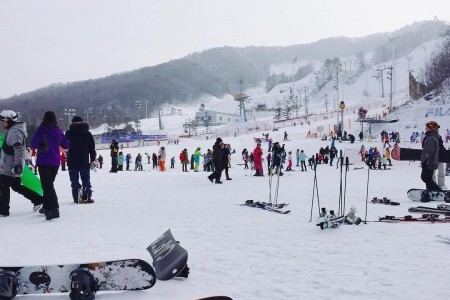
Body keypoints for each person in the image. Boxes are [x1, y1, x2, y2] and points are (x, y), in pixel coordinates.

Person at [0, 110, 44, 217]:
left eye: (3, 120)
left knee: (3, 186)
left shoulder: (15, 132)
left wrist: (18, 165)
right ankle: (39, 200)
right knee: (16, 186)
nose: (1, 123)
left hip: (10, 166)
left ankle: (3, 210)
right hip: (10, 165)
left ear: (9, 120)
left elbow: (18, 149)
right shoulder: (13, 130)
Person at [31, 111, 70, 220]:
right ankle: (47, 206)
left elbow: (34, 144)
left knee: (47, 186)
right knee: (48, 185)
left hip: (44, 161)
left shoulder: (41, 129)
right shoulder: (58, 131)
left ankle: (54, 209)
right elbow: (66, 144)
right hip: (55, 162)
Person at [64, 116, 96, 204]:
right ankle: (86, 197)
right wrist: (92, 159)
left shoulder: (68, 133)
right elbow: (92, 148)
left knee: (74, 180)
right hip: (84, 160)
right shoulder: (87, 133)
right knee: (85, 179)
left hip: (72, 160)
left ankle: (76, 197)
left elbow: (64, 145)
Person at [420, 121, 443, 191]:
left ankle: (435, 191)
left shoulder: (431, 138)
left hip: (429, 163)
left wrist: (425, 161)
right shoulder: (431, 136)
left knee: (425, 177)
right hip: (431, 162)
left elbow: (429, 152)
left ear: (430, 128)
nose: (425, 128)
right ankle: (434, 190)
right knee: (428, 178)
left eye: (426, 127)